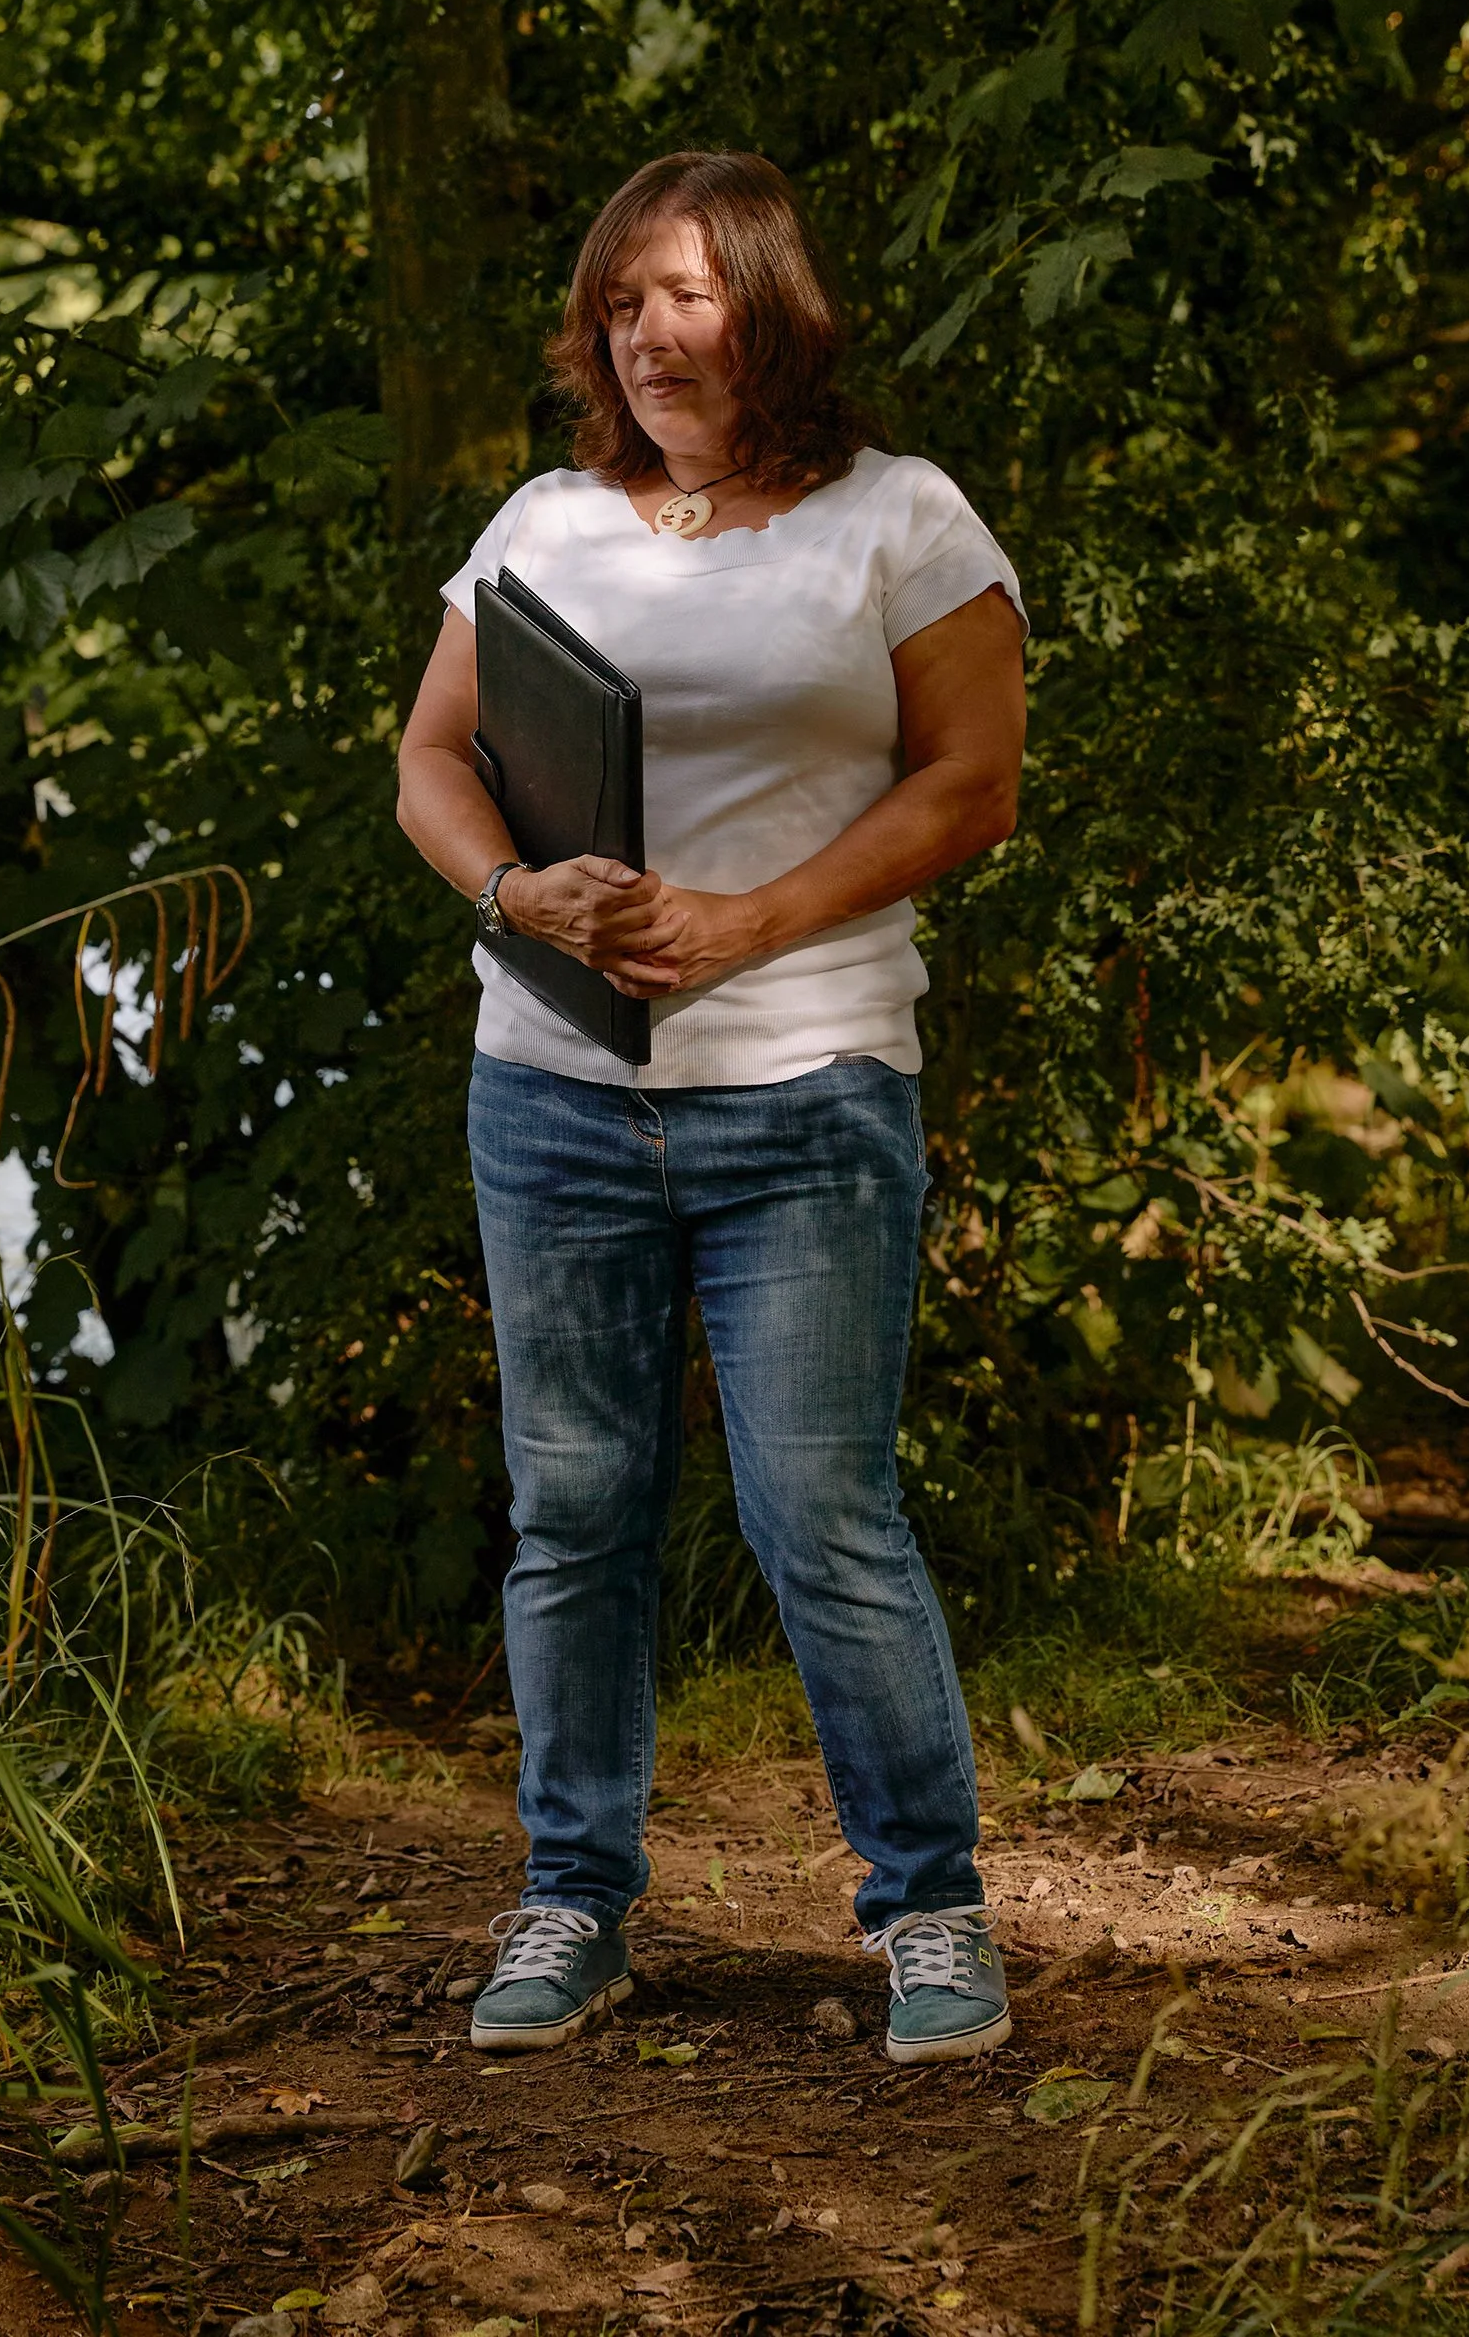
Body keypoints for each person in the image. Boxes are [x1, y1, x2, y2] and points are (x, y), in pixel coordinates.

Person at [395, 151, 1027, 2067]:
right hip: (554, 1095)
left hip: (813, 1090)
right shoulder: (543, 522)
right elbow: (431, 756)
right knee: (572, 1516)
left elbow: (971, 784)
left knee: (821, 1510)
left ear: (769, 300)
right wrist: (520, 892)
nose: (651, 333)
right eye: (620, 301)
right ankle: (573, 1902)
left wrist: (748, 920)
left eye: (686, 292)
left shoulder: (897, 519)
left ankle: (928, 1912)